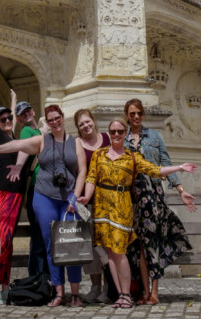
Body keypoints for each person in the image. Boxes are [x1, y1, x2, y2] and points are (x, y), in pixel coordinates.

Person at [79, 118, 196, 310]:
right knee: (109, 252)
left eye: (119, 131)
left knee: (119, 251)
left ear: (125, 134)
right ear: (109, 133)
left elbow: (155, 170)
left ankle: (126, 294)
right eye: (113, 131)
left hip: (122, 206)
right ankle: (120, 295)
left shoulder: (131, 157)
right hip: (101, 206)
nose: (116, 134)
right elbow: (92, 177)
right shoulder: (99, 155)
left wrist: (179, 167)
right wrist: (86, 196)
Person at [0, 104, 81, 307]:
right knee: (43, 244)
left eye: (57, 118)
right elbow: (18, 146)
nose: (54, 122)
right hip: (35, 195)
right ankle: (57, 292)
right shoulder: (38, 137)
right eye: (50, 120)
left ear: (62, 117)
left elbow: (82, 170)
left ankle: (74, 293)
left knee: (70, 245)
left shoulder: (72, 141)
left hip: (62, 198)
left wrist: (76, 196)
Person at [123, 99, 197, 305]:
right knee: (138, 248)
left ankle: (154, 292)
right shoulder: (123, 139)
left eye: (139, 113)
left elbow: (165, 162)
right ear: (126, 116)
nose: (136, 117)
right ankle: (145, 292)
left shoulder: (154, 136)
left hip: (153, 197)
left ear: (143, 115)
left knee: (152, 244)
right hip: (132, 200)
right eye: (132, 114)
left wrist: (180, 189)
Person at [0, 99, 27, 305]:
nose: (8, 121)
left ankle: (5, 288)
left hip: (17, 195)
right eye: (3, 119)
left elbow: (14, 125)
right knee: (4, 240)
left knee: (7, 242)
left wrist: (14, 99)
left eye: (10, 117)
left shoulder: (16, 138)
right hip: (1, 193)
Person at [73, 109, 110, 304]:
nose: (86, 126)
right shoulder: (78, 143)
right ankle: (95, 287)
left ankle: (108, 286)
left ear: (93, 121)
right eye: (81, 124)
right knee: (90, 246)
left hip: (107, 200)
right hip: (86, 202)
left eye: (88, 122)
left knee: (106, 245)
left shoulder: (107, 139)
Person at [15, 99, 47, 279]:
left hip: (46, 187)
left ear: (33, 111)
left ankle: (43, 276)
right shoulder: (27, 131)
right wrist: (19, 166)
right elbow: (23, 149)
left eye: (28, 110)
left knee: (43, 235)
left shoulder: (40, 129)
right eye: (22, 113)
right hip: (37, 186)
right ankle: (37, 277)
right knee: (39, 236)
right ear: (19, 119)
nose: (27, 113)